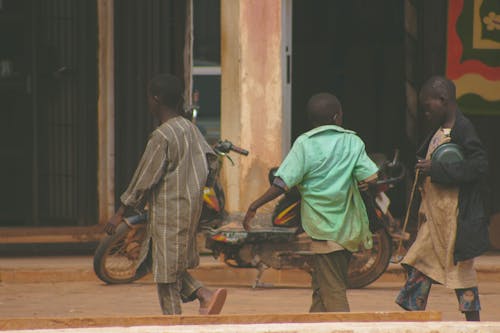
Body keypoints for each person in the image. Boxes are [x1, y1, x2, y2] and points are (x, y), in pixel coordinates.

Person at [243, 93, 378, 312]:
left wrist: (254, 206)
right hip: (348, 229)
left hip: (323, 230)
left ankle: (343, 328)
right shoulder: (352, 141)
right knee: (321, 288)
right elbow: (371, 177)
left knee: (333, 291)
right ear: (337, 117)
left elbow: (282, 183)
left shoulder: (304, 144)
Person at [104, 74, 227, 315]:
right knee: (156, 259)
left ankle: (174, 321)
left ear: (156, 99)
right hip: (189, 209)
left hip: (170, 210)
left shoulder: (162, 136)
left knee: (165, 275)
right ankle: (203, 294)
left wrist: (120, 212)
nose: (148, 103)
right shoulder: (190, 129)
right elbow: (211, 162)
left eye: (149, 98)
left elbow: (143, 178)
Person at [395, 76, 489, 321]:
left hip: (454, 222)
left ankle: (473, 324)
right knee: (420, 261)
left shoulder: (463, 128)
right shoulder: (439, 131)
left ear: (443, 100)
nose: (425, 113)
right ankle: (413, 318)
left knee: (461, 273)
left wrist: (436, 170)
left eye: (428, 107)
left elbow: (479, 166)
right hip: (434, 219)